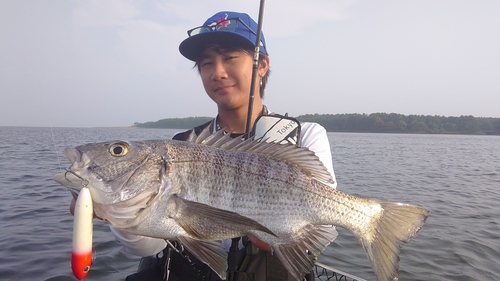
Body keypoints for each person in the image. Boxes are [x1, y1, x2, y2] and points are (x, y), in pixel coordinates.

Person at [72, 11, 338, 281]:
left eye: (230, 58)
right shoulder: (181, 145)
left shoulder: (305, 136)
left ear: (262, 65)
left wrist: (282, 236)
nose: (218, 73)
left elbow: (320, 228)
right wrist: (117, 213)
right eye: (206, 63)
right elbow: (150, 247)